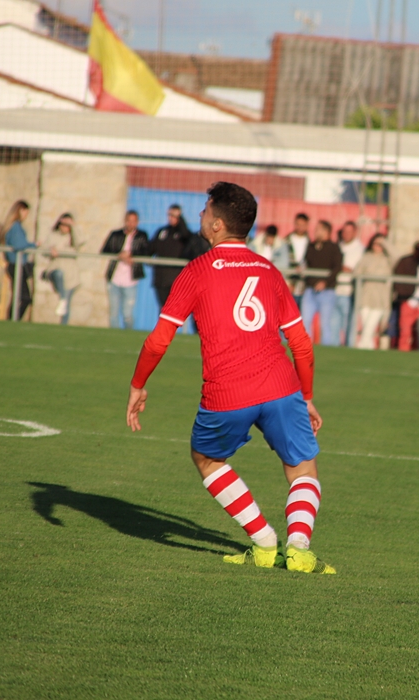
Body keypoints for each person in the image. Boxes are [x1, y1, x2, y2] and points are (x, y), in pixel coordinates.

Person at [125, 181, 334, 575]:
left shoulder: (197, 271)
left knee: (205, 457)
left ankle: (264, 541)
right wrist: (306, 397)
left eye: (205, 210)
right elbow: (301, 344)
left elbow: (158, 341)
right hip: (281, 386)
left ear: (218, 225)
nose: (200, 215)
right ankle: (300, 549)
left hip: (227, 392)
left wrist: (138, 384)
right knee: (303, 466)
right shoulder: (269, 270)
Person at [149, 204, 209, 313]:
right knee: (163, 309)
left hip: (176, 277)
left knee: (174, 309)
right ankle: (163, 330)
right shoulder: (162, 232)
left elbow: (187, 237)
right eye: (170, 215)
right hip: (161, 277)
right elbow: (150, 249)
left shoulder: (184, 233)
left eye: (175, 215)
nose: (171, 218)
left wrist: (180, 220)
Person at [101, 210, 150, 330]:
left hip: (130, 280)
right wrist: (119, 254)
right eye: (129, 221)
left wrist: (132, 255)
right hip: (114, 279)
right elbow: (105, 250)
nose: (131, 224)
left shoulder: (141, 236)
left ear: (137, 222)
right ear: (125, 221)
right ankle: (114, 337)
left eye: (134, 221)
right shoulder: (115, 234)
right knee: (113, 313)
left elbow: (146, 252)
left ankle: (128, 335)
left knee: (127, 314)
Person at [301, 220, 343, 345]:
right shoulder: (311, 246)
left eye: (318, 229)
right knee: (305, 320)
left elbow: (337, 268)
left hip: (327, 291)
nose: (315, 232)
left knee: (325, 323)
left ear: (326, 232)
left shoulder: (334, 248)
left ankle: (327, 348)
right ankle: (305, 347)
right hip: (310, 290)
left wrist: (325, 282)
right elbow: (306, 263)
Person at [392, 239, 419, 351]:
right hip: (409, 301)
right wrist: (405, 295)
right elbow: (398, 280)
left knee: (418, 332)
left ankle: (416, 354)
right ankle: (403, 352)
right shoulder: (405, 261)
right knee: (405, 331)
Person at [39, 213, 81, 325]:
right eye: (63, 224)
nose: (65, 227)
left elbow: (80, 242)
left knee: (66, 305)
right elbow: (44, 250)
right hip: (56, 268)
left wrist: (74, 226)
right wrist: (50, 250)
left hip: (71, 274)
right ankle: (62, 298)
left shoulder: (73, 237)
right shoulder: (53, 236)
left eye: (68, 225)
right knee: (58, 275)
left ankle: (63, 326)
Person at [353, 234, 393, 349]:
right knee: (366, 324)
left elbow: (397, 256)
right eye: (376, 243)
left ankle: (361, 346)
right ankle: (368, 347)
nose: (378, 246)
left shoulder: (388, 259)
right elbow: (357, 272)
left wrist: (385, 243)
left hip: (380, 297)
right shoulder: (366, 257)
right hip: (366, 295)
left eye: (380, 244)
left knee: (371, 325)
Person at [2, 200, 36, 320]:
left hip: (17, 265)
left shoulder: (15, 226)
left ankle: (12, 319)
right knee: (25, 297)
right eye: (26, 212)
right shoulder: (16, 226)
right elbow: (19, 244)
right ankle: (12, 319)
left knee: (19, 296)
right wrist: (33, 245)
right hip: (16, 265)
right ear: (21, 211)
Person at [335, 221, 365, 347]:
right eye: (344, 231)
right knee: (334, 325)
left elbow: (357, 270)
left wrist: (344, 268)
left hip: (349, 292)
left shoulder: (360, 249)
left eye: (349, 232)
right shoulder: (337, 247)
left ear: (355, 233)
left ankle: (349, 348)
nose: (346, 234)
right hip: (335, 290)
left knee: (349, 326)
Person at [287, 213, 310, 306]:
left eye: (303, 225)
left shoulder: (310, 243)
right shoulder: (286, 241)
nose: (300, 227)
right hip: (289, 285)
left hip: (303, 286)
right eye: (298, 224)